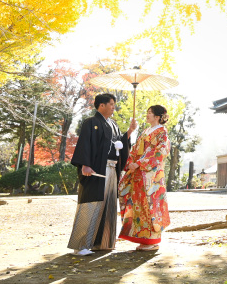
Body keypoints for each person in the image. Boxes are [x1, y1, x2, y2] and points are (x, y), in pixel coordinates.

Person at [68, 93, 136, 255]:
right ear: (101, 105)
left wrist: (129, 132)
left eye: (114, 104)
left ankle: (103, 243)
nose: (113, 107)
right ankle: (81, 245)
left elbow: (119, 144)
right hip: (96, 169)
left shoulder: (113, 124)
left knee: (109, 205)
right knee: (92, 203)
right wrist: (85, 164)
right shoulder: (91, 123)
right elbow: (85, 144)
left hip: (112, 169)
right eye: (111, 104)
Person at [118, 104, 171, 251]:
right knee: (139, 204)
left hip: (152, 175)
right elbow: (135, 149)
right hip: (138, 172)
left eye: (150, 113)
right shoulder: (145, 131)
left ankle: (152, 240)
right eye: (147, 112)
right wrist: (131, 163)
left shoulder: (162, 132)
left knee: (151, 204)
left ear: (158, 117)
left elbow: (160, 152)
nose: (147, 115)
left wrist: (140, 163)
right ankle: (143, 238)